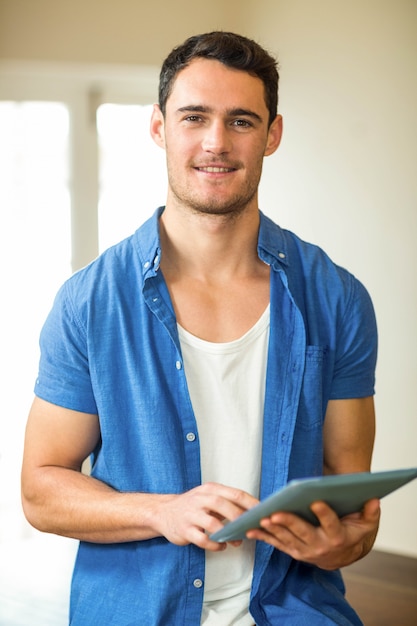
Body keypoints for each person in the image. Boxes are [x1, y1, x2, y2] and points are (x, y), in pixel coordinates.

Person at [21, 31, 380, 625]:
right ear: (160, 128)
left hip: (294, 611)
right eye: (194, 117)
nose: (216, 143)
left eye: (241, 121)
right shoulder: (88, 302)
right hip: (139, 612)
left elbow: (352, 496)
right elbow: (41, 489)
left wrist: (344, 543)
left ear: (273, 134)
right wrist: (163, 513)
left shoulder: (338, 297)